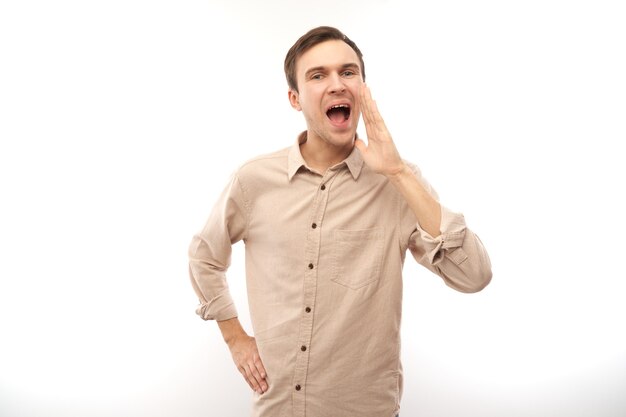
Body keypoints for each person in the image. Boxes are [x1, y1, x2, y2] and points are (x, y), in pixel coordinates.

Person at [188, 25, 492, 417]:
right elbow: (204, 257)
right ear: (295, 99)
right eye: (318, 75)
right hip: (278, 408)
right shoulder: (253, 181)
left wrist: (397, 172)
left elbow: (475, 275)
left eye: (348, 72)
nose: (337, 84)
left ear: (363, 88)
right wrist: (235, 339)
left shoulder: (398, 182)